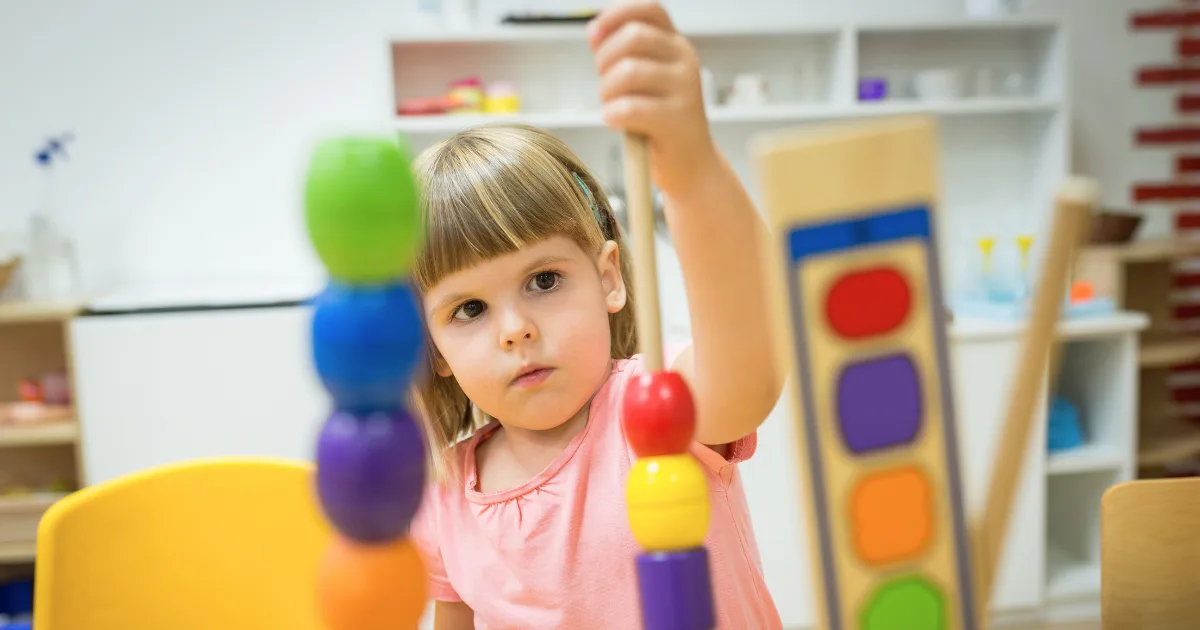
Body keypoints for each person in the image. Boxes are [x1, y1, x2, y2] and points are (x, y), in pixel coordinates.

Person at [407, 1, 784, 627]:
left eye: (544, 280)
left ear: (608, 277)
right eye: (469, 308)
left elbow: (749, 366)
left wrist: (689, 170)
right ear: (434, 347)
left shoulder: (655, 411)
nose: (516, 329)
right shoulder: (446, 494)